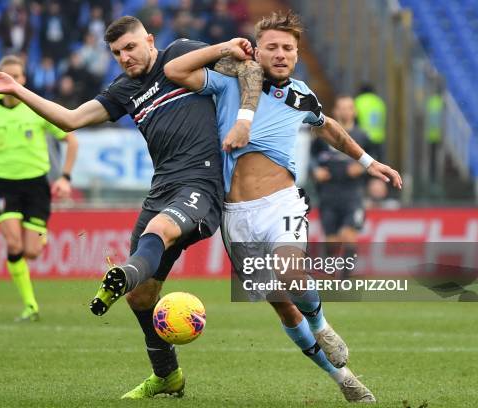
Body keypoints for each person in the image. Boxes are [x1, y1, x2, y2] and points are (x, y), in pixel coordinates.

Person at [0, 16, 261, 399]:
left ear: (150, 41)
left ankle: (123, 273)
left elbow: (247, 67)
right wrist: (18, 91)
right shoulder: (124, 90)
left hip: (201, 185)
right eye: (117, 52)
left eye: (131, 48)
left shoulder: (182, 54)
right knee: (141, 297)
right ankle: (167, 375)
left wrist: (237, 89)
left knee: (157, 232)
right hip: (161, 189)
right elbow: (71, 120)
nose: (125, 57)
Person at [164, 10, 402, 403]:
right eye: (271, 47)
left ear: (296, 54)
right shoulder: (229, 82)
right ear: (257, 52)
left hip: (282, 203)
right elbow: (174, 70)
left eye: (287, 48)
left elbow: (330, 129)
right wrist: (223, 48)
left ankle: (323, 325)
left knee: (292, 272)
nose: (280, 54)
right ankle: (342, 377)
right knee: (284, 309)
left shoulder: (301, 94)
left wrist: (369, 162)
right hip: (235, 216)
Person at [0, 55, 78, 322]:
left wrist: (65, 178)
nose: (12, 81)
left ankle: (38, 240)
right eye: (8, 76)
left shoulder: (38, 109)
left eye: (17, 76)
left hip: (36, 186)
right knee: (13, 243)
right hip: (4, 186)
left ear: (24, 79)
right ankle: (30, 306)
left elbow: (71, 141)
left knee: (32, 251)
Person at [310, 95, 374, 264]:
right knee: (331, 241)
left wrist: (363, 169)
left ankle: (345, 281)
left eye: (349, 107)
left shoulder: (363, 137)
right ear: (335, 111)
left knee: (348, 236)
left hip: (353, 195)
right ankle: (330, 276)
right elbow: (311, 157)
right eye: (341, 107)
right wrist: (316, 169)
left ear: (355, 111)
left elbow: (375, 160)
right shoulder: (323, 135)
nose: (345, 111)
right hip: (328, 195)